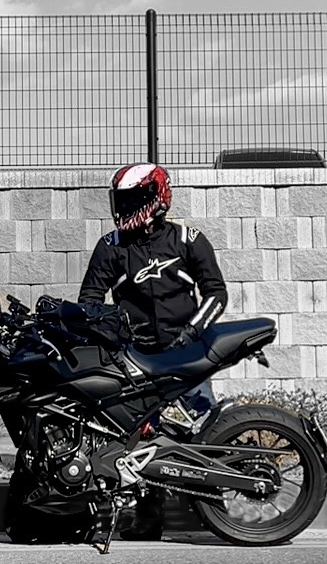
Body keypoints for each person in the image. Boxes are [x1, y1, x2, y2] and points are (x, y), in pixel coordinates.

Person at [78, 162, 228, 420]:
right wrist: (112, 337)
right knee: (138, 432)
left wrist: (192, 331)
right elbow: (89, 301)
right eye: (120, 200)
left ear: (156, 196)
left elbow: (216, 293)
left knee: (206, 426)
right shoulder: (110, 247)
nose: (124, 207)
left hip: (187, 352)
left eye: (131, 199)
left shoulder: (188, 241)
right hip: (136, 357)